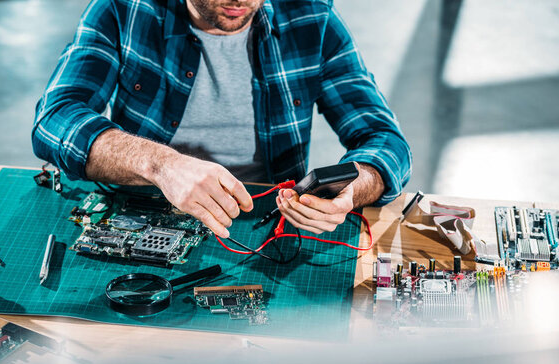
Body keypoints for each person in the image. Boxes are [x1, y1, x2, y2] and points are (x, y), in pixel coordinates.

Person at [32, 0, 412, 238]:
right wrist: (163, 166)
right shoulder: (123, 9)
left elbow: (384, 139)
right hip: (139, 209)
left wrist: (352, 191)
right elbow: (55, 119)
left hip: (263, 219)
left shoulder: (312, 17)